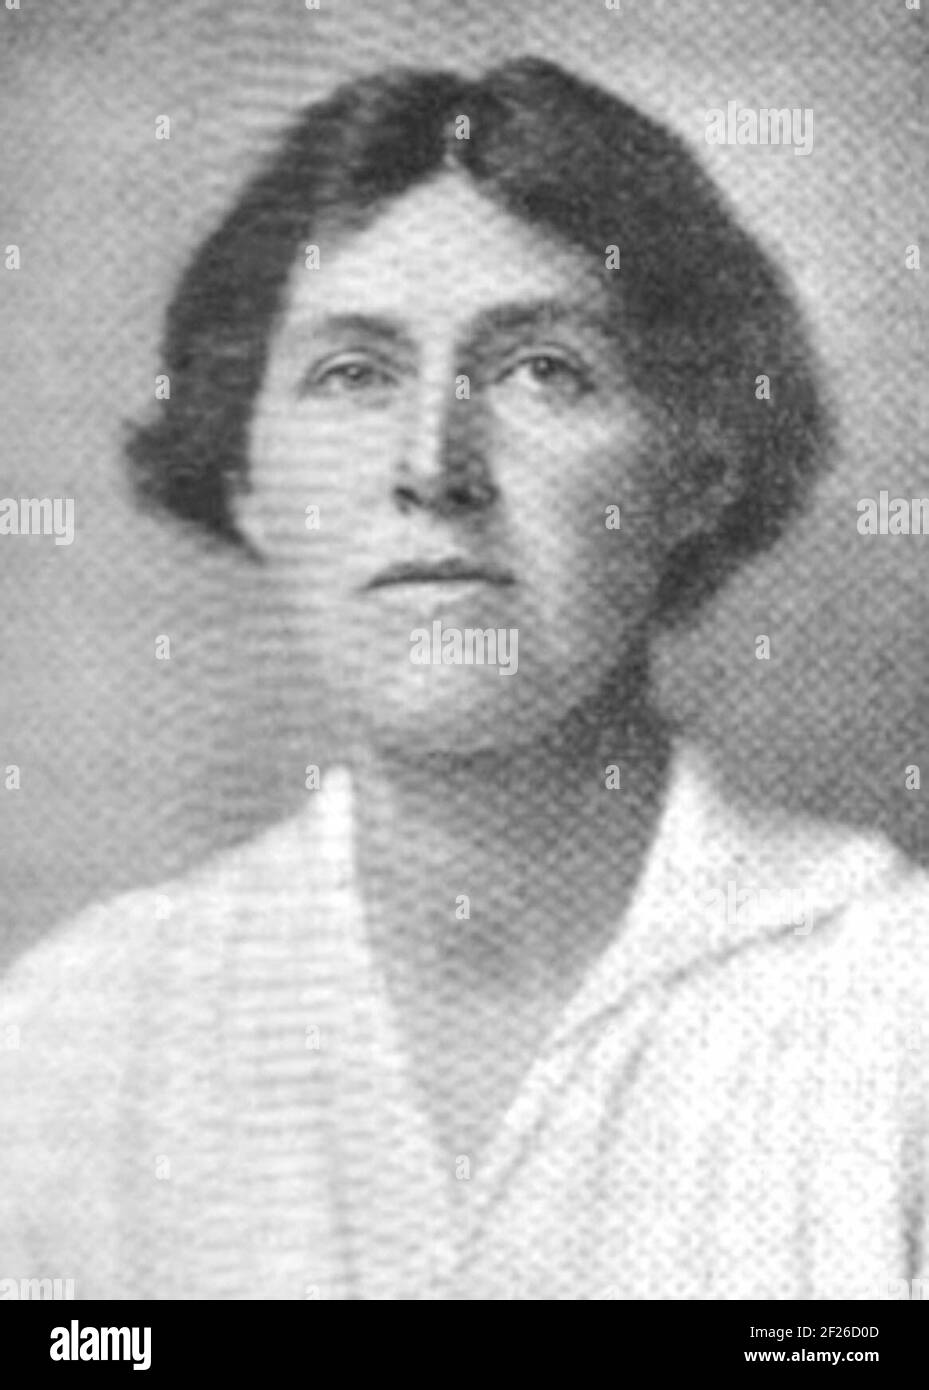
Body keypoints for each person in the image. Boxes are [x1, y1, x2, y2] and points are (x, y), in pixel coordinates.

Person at [1, 57, 926, 1301]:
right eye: (352, 373)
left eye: (543, 369)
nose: (433, 467)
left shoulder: (893, 1013)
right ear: (245, 477)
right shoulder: (77, 1048)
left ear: (697, 467)